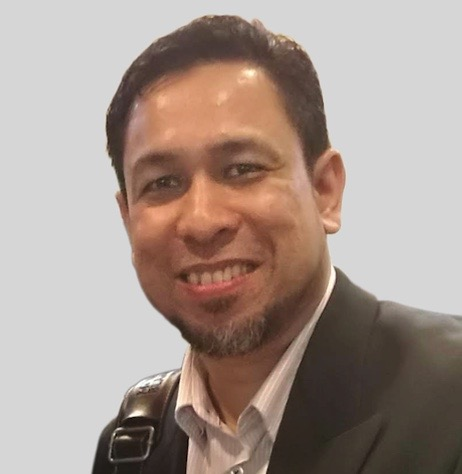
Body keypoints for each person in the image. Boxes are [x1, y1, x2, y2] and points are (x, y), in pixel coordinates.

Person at [92, 14, 462, 474]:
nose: (202, 221)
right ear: (128, 219)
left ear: (325, 190)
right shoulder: (131, 448)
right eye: (163, 182)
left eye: (242, 169)